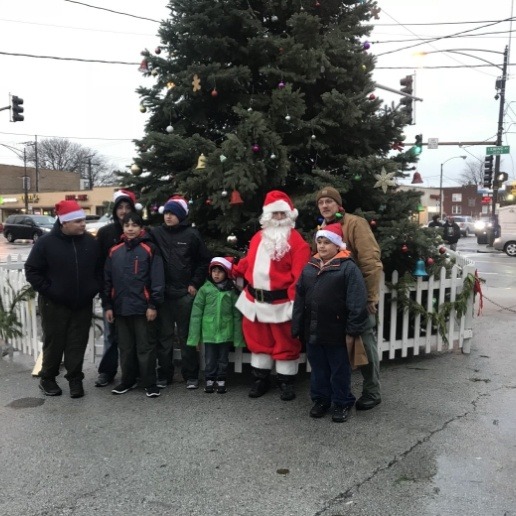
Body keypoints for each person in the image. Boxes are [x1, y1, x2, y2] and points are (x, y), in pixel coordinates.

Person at [233, 190, 311, 401]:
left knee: (285, 343)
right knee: (258, 341)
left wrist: (296, 301)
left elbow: (301, 274)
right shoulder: (258, 237)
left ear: (289, 215)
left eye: (281, 214)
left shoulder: (297, 242)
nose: (278, 218)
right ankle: (260, 379)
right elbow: (249, 262)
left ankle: (286, 382)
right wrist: (236, 269)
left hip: (281, 304)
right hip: (254, 301)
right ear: (267, 215)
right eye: (274, 214)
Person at [25, 200, 102, 398]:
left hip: (82, 303)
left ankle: (75, 379)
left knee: (77, 343)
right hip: (54, 304)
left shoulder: (90, 243)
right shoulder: (46, 243)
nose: (83, 224)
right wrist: (50, 290)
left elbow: (100, 270)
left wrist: (93, 288)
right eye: (77, 221)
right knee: (54, 342)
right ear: (64, 223)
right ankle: (47, 378)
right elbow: (32, 270)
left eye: (83, 220)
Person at [292, 223, 368, 422]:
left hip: (337, 332)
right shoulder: (309, 268)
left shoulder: (348, 268)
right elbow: (300, 298)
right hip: (313, 330)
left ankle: (342, 402)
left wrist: (353, 327)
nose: (322, 246)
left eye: (327, 242)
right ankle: (321, 399)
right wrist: (298, 324)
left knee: (339, 369)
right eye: (319, 241)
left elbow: (356, 300)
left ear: (337, 246)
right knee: (318, 368)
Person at [315, 186, 383, 410]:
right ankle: (341, 393)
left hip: (357, 298)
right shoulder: (322, 228)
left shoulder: (355, 223)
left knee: (364, 343)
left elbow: (370, 260)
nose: (325, 205)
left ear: (338, 204)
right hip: (334, 302)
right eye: (321, 202)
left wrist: (371, 297)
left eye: (329, 201)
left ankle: (372, 391)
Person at [150, 195, 210, 389]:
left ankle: (191, 375)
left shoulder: (192, 235)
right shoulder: (156, 233)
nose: (168, 217)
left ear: (181, 215)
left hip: (184, 294)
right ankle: (164, 374)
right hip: (164, 295)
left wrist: (194, 283)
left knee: (186, 336)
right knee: (165, 336)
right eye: (166, 212)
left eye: (173, 213)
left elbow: (203, 261)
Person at [103, 212, 165, 397]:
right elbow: (107, 280)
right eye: (127, 225)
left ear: (141, 228)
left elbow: (157, 278)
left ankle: (149, 382)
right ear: (123, 228)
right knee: (126, 347)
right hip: (120, 308)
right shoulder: (115, 251)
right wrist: (108, 305)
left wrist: (153, 304)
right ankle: (127, 380)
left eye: (134, 225)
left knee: (145, 346)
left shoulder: (149, 249)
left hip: (143, 308)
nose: (130, 228)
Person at [95, 189, 141, 387]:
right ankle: (107, 371)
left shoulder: (140, 233)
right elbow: (98, 266)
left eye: (127, 207)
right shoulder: (106, 233)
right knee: (111, 335)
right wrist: (105, 298)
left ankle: (134, 372)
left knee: (134, 336)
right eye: (120, 208)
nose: (123, 211)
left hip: (135, 295)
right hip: (112, 294)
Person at [187, 257, 245, 394]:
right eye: (214, 271)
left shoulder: (231, 291)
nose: (216, 274)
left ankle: (221, 379)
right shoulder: (204, 290)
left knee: (223, 358)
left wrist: (238, 337)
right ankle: (209, 378)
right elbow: (196, 314)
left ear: (226, 273)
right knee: (210, 358)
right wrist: (195, 337)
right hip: (209, 332)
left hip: (225, 331)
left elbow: (236, 315)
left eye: (220, 271)